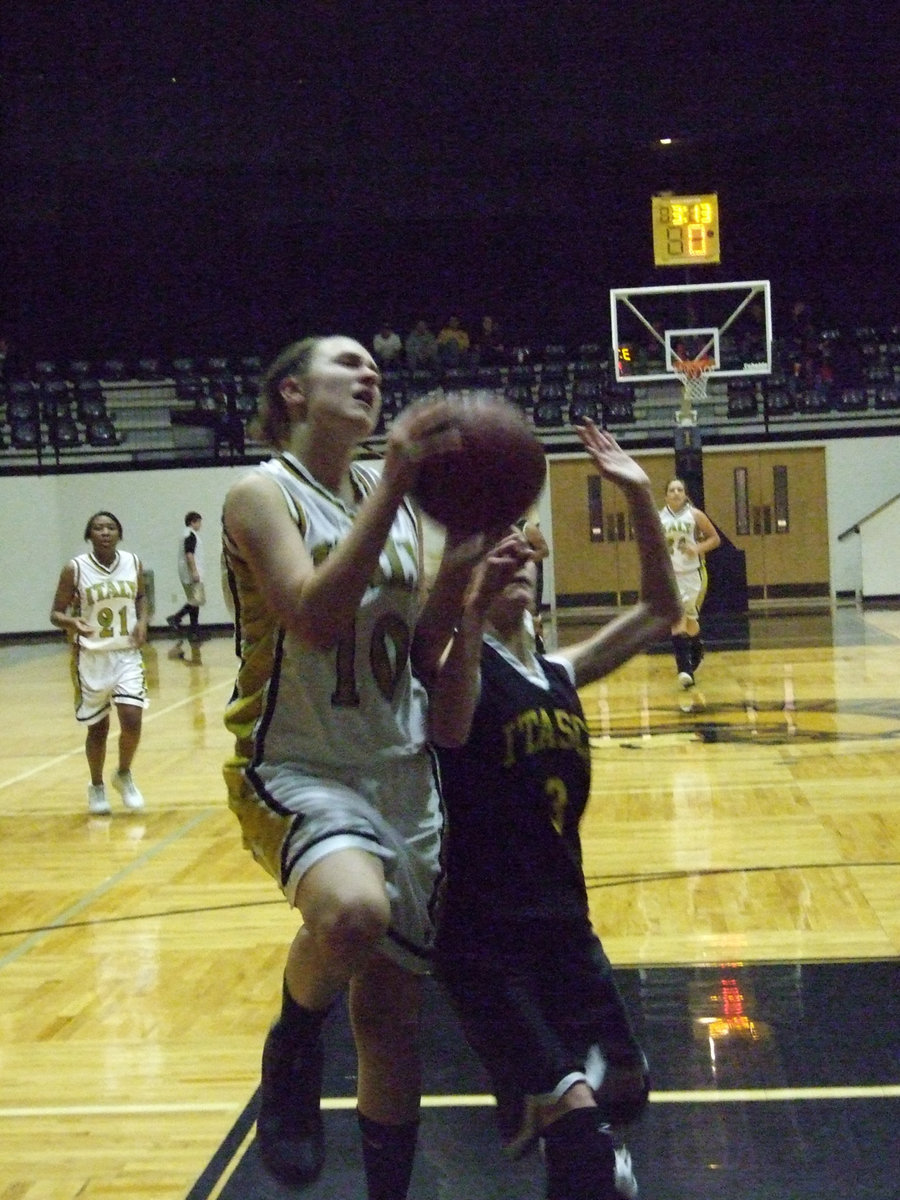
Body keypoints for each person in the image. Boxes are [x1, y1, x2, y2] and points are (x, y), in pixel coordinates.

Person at [220, 334, 488, 1198]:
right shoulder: (260, 494)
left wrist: (469, 562)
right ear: (292, 392)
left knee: (389, 1020)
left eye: (375, 364)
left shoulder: (388, 498)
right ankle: (294, 1041)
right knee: (349, 912)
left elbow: (417, 642)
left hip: (400, 771)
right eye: (346, 363)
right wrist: (403, 481)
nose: (370, 372)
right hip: (298, 761)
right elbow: (313, 618)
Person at [425, 423, 682, 1200]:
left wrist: (637, 493)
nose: (519, 569)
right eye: (500, 563)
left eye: (526, 560)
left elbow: (662, 608)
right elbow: (450, 727)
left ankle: (533, 1106)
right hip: (482, 937)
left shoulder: (563, 671)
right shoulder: (458, 667)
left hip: (565, 923)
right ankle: (556, 1122)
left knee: (627, 1087)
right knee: (580, 1132)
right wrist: (467, 609)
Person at [50, 511, 149, 815]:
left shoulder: (133, 563)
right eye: (98, 528)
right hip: (90, 657)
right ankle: (96, 786)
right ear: (89, 535)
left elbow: (142, 597)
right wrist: (71, 622)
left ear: (119, 533)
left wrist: (144, 621)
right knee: (99, 729)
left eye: (111, 527)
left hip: (126, 654)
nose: (105, 532)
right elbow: (55, 613)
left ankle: (123, 773)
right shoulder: (75, 569)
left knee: (132, 718)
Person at [659, 477, 721, 688]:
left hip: (693, 573)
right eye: (672, 490)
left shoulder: (695, 515)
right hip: (671, 575)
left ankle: (696, 646)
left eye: (680, 489)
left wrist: (697, 548)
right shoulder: (658, 518)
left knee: (690, 621)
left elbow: (715, 539)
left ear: (685, 494)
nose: (676, 493)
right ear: (665, 495)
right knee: (678, 618)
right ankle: (684, 671)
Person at [166, 511, 205, 639]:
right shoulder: (190, 535)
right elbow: (189, 554)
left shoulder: (185, 534)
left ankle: (194, 631)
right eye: (199, 522)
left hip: (185, 573)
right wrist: (194, 571)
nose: (200, 525)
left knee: (194, 602)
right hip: (191, 573)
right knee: (197, 600)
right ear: (193, 522)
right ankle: (176, 618)